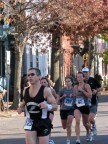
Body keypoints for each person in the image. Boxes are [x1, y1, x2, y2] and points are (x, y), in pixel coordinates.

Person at [17, 67, 58, 144]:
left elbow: (55, 106)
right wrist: (20, 108)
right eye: (28, 75)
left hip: (43, 121)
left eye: (32, 74)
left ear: (39, 77)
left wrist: (47, 106)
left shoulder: (45, 90)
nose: (30, 77)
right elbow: (24, 103)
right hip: (30, 121)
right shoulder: (25, 90)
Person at [82, 67, 102, 141]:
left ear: (89, 73)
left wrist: (96, 91)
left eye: (86, 72)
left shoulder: (93, 80)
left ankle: (94, 125)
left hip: (93, 102)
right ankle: (89, 132)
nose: (85, 74)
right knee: (85, 123)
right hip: (84, 104)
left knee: (90, 119)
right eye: (84, 72)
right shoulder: (81, 81)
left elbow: (100, 87)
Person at [74, 72, 92, 144]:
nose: (79, 78)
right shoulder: (75, 86)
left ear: (83, 78)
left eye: (81, 77)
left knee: (85, 123)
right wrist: (72, 95)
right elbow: (74, 95)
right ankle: (78, 139)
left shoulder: (86, 85)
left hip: (85, 105)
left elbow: (90, 95)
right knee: (77, 121)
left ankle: (88, 131)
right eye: (78, 77)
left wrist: (82, 90)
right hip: (77, 106)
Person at [40, 77, 58, 144]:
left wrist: (53, 103)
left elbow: (56, 97)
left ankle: (49, 139)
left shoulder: (51, 90)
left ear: (47, 83)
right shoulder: (39, 91)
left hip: (50, 110)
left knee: (48, 124)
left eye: (44, 82)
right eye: (41, 83)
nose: (43, 84)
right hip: (42, 111)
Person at [58, 76, 75, 144]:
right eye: (66, 81)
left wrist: (74, 95)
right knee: (64, 126)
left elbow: (78, 97)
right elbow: (58, 99)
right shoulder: (62, 90)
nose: (67, 83)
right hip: (63, 109)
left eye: (69, 81)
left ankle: (68, 140)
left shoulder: (74, 90)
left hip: (71, 109)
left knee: (69, 123)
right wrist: (62, 97)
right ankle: (68, 127)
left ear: (71, 82)